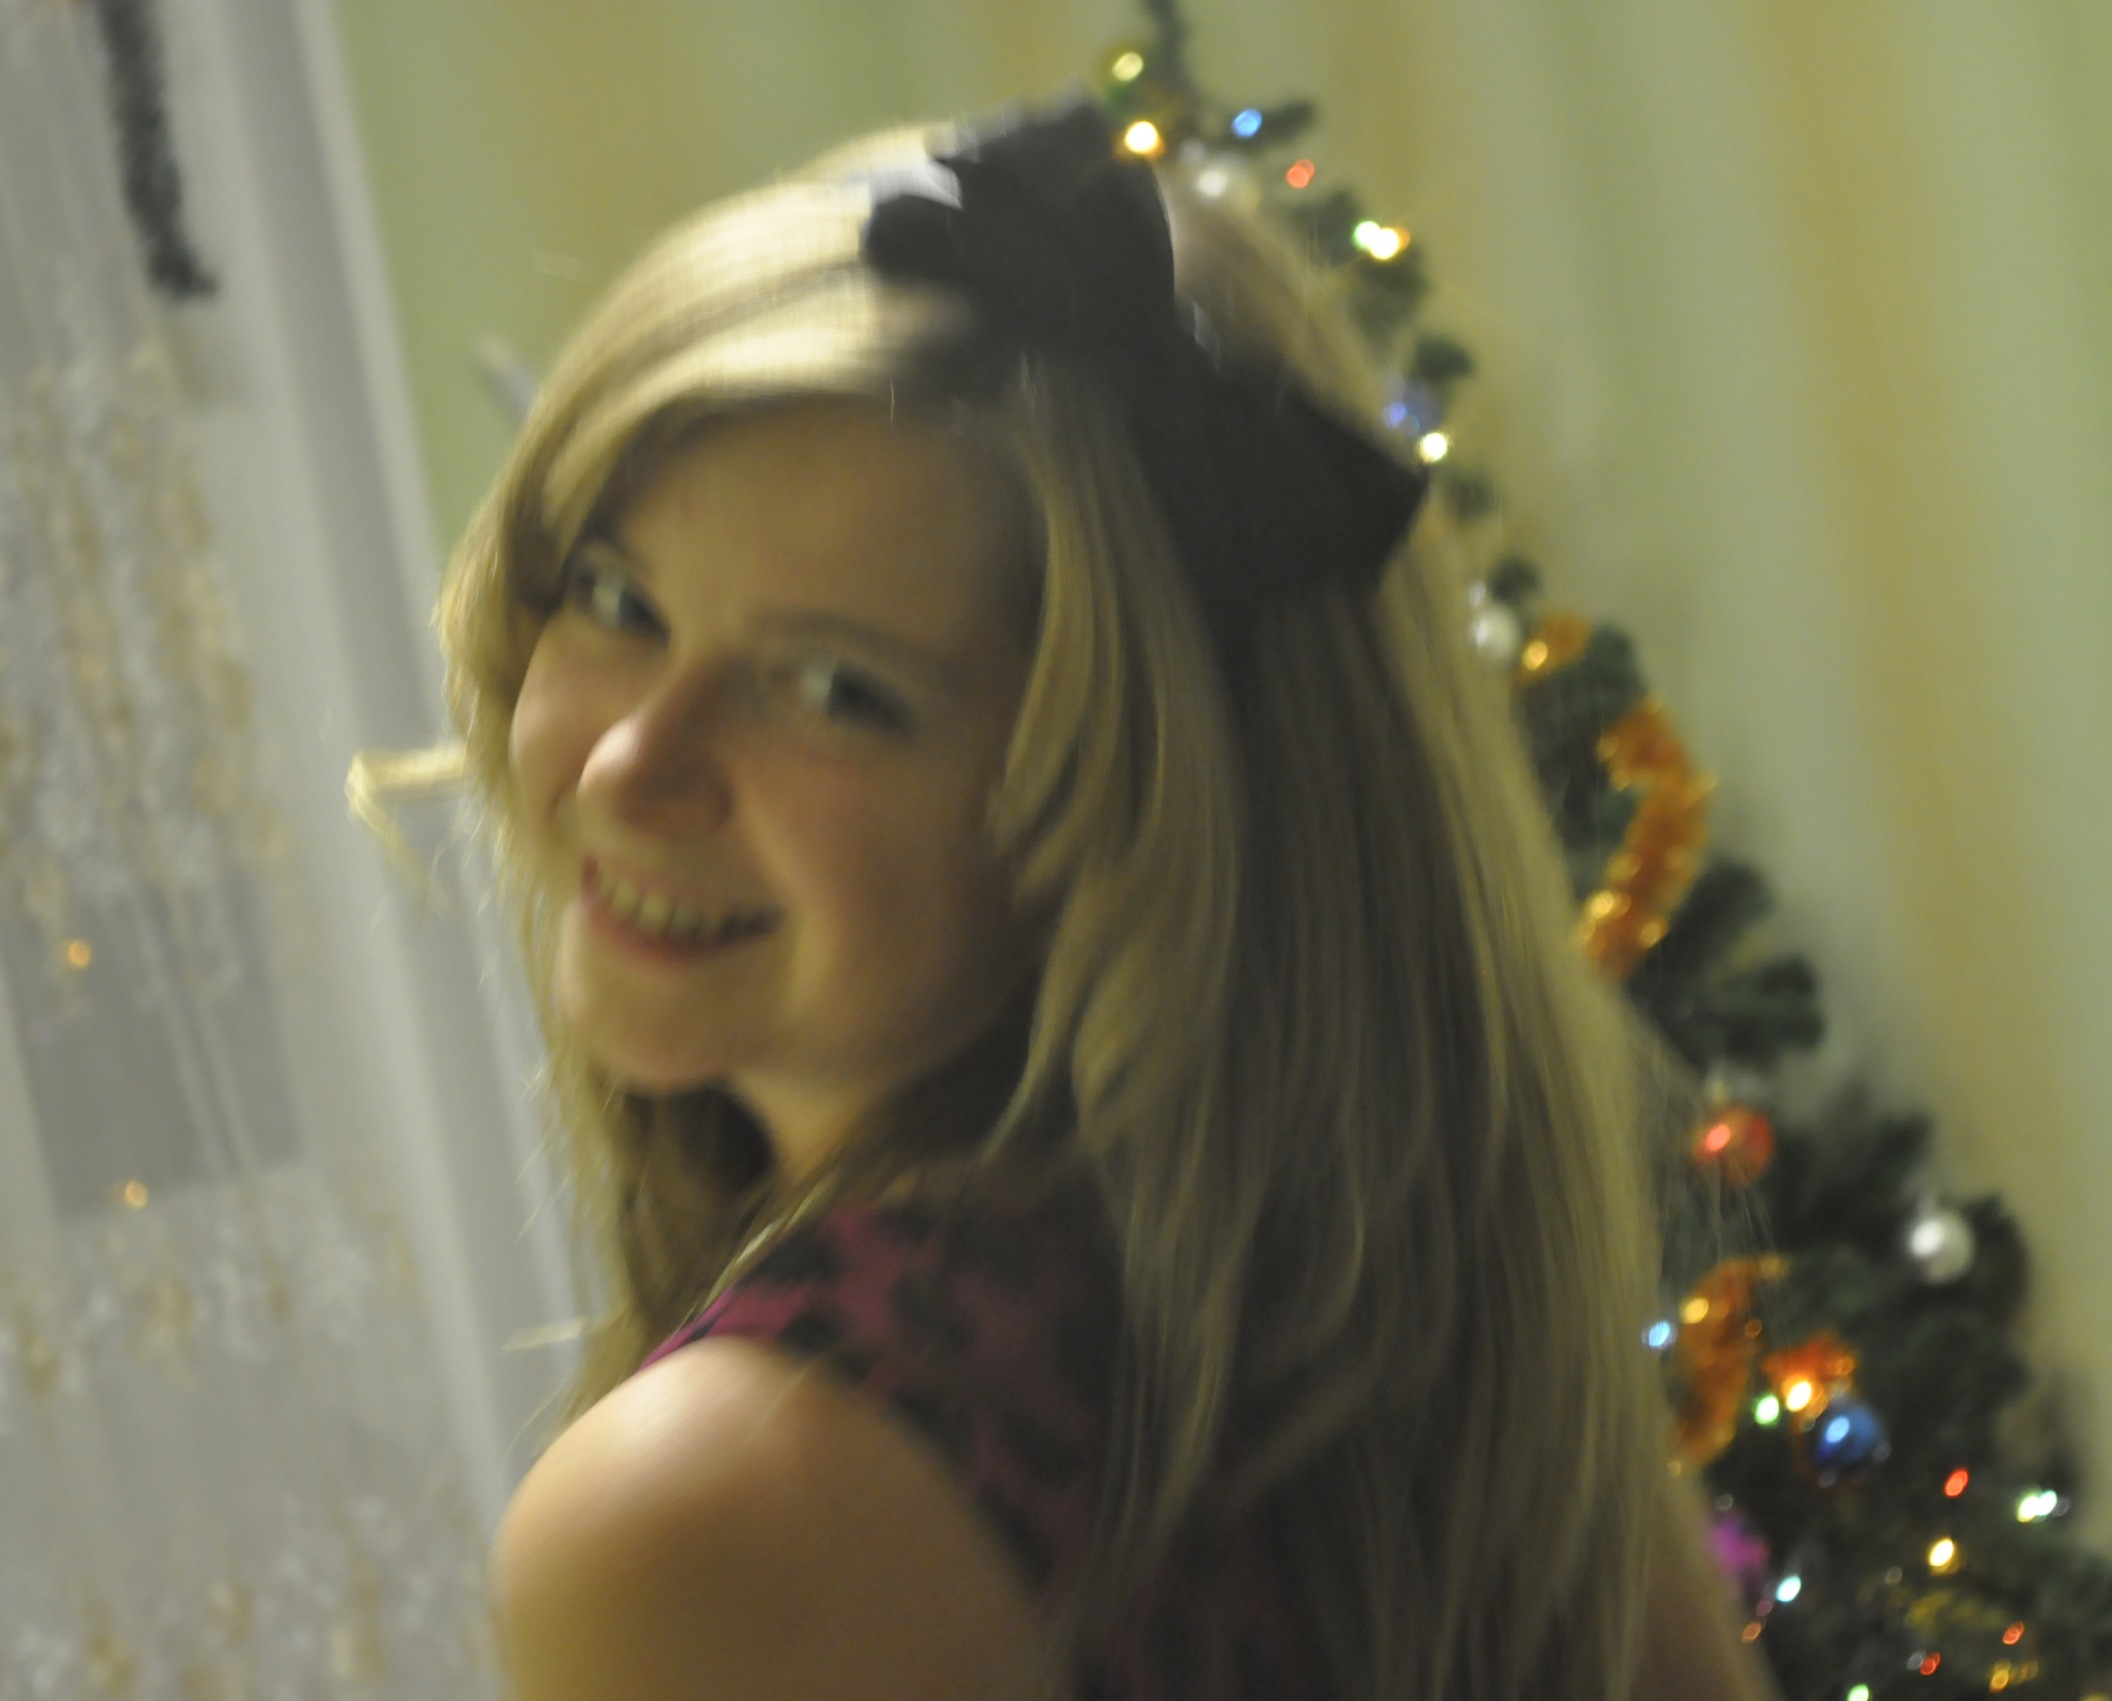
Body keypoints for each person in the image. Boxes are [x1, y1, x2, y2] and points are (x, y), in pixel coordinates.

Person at [415, 97, 1773, 1699]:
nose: (633, 765)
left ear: (1140, 809)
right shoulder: (1445, 1361)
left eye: (838, 690)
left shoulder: (711, 1507)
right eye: (616, 598)